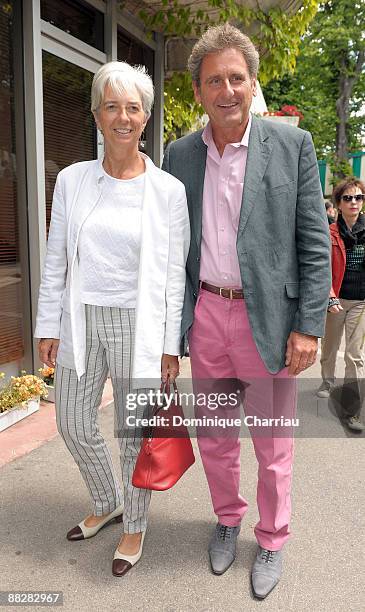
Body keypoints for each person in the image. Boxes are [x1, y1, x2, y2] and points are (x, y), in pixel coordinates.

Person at [162, 24, 331, 599]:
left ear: (253, 83)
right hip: (206, 313)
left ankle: (273, 538)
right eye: (214, 80)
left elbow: (312, 241)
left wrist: (309, 325)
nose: (226, 89)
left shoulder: (291, 146)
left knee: (273, 440)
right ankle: (228, 518)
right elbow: (171, 244)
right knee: (215, 434)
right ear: (198, 90)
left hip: (271, 322)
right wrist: (172, 326)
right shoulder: (179, 155)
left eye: (236, 77)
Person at [34, 61, 190, 577]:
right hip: (82, 319)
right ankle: (108, 499)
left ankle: (135, 523)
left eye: (133, 107)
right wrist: (47, 325)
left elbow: (173, 278)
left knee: (133, 432)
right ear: (97, 115)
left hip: (138, 324)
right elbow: (57, 256)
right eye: (112, 106)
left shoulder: (167, 191)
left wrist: (171, 346)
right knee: (72, 420)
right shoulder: (74, 180)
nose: (122, 116)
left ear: (145, 117)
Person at [317, 177, 365, 431]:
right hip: (336, 299)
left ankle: (351, 407)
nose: (354, 202)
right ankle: (327, 381)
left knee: (354, 355)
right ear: (338, 203)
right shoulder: (330, 233)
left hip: (361, 302)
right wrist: (330, 294)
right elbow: (322, 268)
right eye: (348, 198)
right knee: (330, 346)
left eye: (358, 197)